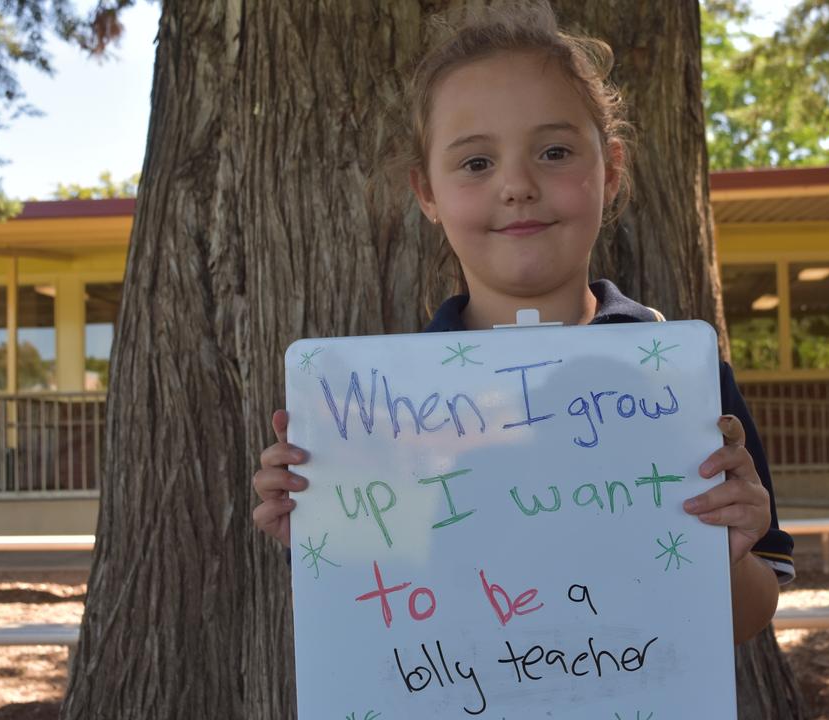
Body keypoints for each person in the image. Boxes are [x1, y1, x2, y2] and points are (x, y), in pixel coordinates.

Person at [251, 1, 793, 646]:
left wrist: (727, 552)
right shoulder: (380, 410)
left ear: (610, 170)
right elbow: (379, 613)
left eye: (555, 151)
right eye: (476, 163)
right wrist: (327, 533)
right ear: (427, 193)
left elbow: (749, 617)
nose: (517, 185)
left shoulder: (683, 379)